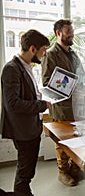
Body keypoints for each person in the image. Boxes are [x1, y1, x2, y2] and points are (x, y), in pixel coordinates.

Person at [0, 29, 51, 196]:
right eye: (43, 50)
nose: (44, 55)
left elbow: (26, 94)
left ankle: (23, 191)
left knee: (27, 170)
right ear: (32, 49)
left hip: (31, 126)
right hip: (23, 130)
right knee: (25, 171)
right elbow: (13, 104)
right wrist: (41, 105)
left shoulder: (26, 66)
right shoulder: (11, 69)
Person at [41, 19, 85, 187]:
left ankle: (76, 170)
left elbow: (82, 75)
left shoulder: (74, 53)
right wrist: (71, 92)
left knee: (79, 137)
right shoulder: (50, 54)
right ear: (58, 33)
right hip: (62, 106)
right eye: (68, 31)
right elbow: (47, 82)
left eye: (72, 31)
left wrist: (82, 89)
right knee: (63, 140)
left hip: (79, 104)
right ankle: (63, 172)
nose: (72, 34)